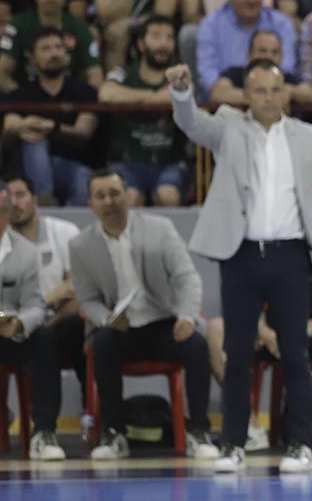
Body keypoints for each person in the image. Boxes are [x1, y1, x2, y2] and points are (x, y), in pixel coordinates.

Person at [167, 59, 312, 474]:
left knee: (295, 353)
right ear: (246, 95)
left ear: (286, 94)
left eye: (275, 90)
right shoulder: (227, 126)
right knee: (238, 353)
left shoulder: (308, 136)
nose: (268, 98)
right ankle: (234, 444)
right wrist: (183, 92)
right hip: (240, 254)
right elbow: (190, 124)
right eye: (259, 91)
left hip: (291, 254)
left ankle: (299, 445)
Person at [70, 168, 217, 462]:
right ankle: (113, 434)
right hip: (121, 326)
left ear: (128, 196)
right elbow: (87, 300)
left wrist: (187, 317)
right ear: (91, 204)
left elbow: (187, 278)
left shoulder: (159, 228)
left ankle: (199, 431)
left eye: (115, 193)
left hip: (163, 323)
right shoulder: (81, 245)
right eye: (101, 196)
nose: (109, 201)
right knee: (101, 346)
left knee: (198, 347)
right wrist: (107, 319)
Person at [209, 206, 312, 452]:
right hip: (273, 333)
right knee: (217, 330)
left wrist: (304, 330)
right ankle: (250, 427)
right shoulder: (281, 241)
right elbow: (245, 295)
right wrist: (266, 333)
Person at [6, 172, 85, 459]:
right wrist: (49, 299)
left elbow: (78, 293)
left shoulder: (64, 232)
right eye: (7, 198)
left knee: (75, 329)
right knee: (41, 335)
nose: (14, 204)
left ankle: (47, 432)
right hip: (8, 332)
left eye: (21, 195)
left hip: (54, 327)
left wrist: (41, 317)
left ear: (35, 199)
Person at [1, 27, 98, 205]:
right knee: (34, 138)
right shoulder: (19, 94)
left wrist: (52, 128)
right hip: (26, 170)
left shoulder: (85, 92)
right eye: (46, 49)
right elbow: (9, 126)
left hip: (72, 166)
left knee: (85, 181)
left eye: (58, 48)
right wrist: (25, 125)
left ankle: (64, 227)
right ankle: (43, 200)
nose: (54, 54)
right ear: (31, 58)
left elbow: (83, 132)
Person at [98, 15, 189, 207]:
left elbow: (185, 93)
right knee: (128, 197)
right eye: (156, 37)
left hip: (169, 161)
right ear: (140, 44)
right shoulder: (122, 73)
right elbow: (106, 93)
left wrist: (132, 97)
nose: (163, 44)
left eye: (169, 38)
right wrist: (153, 95)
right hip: (126, 161)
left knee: (168, 195)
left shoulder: (180, 74)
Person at [0, 181, 60, 459]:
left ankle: (44, 433)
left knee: (45, 337)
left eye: (2, 210)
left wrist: (20, 322)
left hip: (10, 336)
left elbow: (36, 304)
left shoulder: (25, 252)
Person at [195, 0, 296, 96]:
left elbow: (286, 68)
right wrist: (251, 96)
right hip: (225, 101)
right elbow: (208, 77)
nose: (251, 0)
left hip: (274, 95)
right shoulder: (210, 25)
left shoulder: (282, 24)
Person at [0, 0, 102, 93]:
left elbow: (95, 76)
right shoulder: (17, 24)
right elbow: (2, 74)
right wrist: (24, 99)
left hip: (69, 101)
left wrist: (84, 105)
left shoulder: (80, 27)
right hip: (25, 103)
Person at [210, 28, 312, 107]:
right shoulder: (236, 74)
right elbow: (218, 93)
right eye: (262, 51)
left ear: (281, 57)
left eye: (274, 52)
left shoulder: (287, 78)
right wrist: (263, 96)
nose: (269, 57)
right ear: (249, 55)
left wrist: (291, 91)